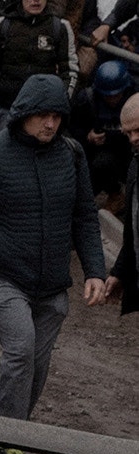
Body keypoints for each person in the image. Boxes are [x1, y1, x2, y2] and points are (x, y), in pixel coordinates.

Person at [0, 74, 106, 454]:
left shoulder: (72, 155)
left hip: (53, 281)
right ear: (24, 115)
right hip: (3, 275)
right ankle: (12, 442)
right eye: (42, 116)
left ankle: (1, 436)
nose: (50, 124)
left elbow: (85, 215)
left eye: (56, 116)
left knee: (37, 360)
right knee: (21, 349)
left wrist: (96, 271)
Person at [0, 0, 77, 131]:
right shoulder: (4, 24)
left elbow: (70, 72)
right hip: (9, 109)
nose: (36, 1)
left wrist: (60, 104)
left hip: (45, 113)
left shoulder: (60, 27)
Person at [71, 60, 135, 201]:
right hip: (102, 152)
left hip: (131, 150)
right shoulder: (87, 99)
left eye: (116, 95)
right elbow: (73, 128)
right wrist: (88, 136)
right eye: (108, 96)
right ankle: (115, 194)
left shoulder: (135, 96)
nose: (112, 99)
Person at [105, 93, 139, 314]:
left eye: (138, 130)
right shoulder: (135, 166)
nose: (133, 138)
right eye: (128, 133)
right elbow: (133, 230)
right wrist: (120, 272)